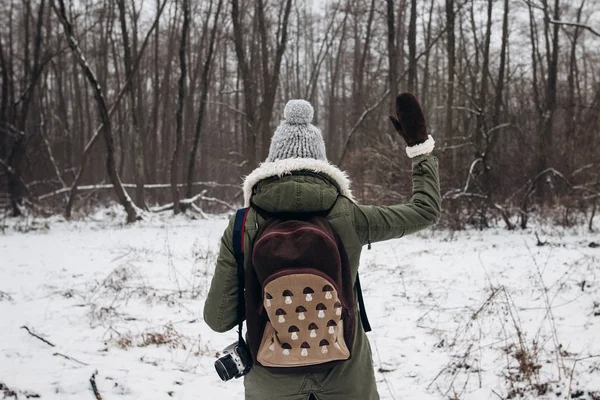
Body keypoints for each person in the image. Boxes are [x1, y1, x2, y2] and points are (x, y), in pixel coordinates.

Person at [204, 93, 441, 400]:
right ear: (321, 162)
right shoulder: (350, 216)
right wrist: (420, 151)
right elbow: (426, 210)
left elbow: (217, 318)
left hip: (271, 380)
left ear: (271, 162)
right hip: (346, 374)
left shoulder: (242, 226)